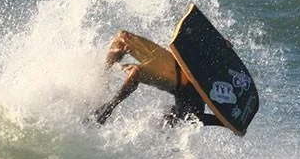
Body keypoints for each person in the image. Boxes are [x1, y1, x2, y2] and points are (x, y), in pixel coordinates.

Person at [92, 30, 222, 127]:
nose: (166, 114)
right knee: (122, 38)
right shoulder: (210, 84)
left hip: (177, 77)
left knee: (136, 70)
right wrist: (221, 47)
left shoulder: (187, 109)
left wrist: (221, 121)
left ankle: (107, 109)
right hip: (177, 64)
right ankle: (102, 79)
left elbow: (197, 117)